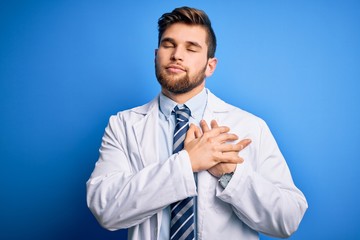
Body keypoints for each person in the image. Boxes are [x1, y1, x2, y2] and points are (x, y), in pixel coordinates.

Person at [86, 6, 308, 240]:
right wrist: (187, 163)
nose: (177, 55)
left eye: (191, 48)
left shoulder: (250, 126)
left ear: (210, 66)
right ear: (156, 55)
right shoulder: (123, 125)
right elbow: (106, 209)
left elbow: (288, 219)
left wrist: (230, 175)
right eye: (168, 44)